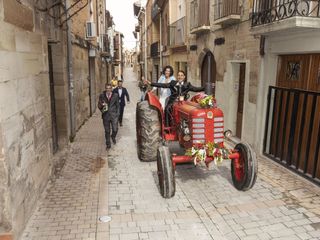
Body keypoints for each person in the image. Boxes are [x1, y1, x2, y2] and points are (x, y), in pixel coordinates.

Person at [98, 83, 120, 150]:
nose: (108, 90)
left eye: (109, 88)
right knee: (107, 131)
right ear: (105, 89)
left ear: (111, 89)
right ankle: (108, 145)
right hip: (106, 116)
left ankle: (113, 136)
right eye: (107, 88)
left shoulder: (115, 95)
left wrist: (117, 114)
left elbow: (118, 105)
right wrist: (102, 105)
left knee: (115, 129)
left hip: (114, 116)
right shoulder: (102, 95)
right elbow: (99, 105)